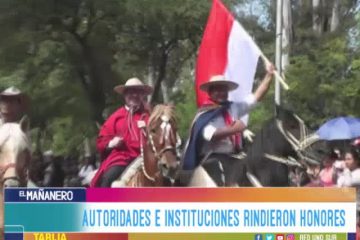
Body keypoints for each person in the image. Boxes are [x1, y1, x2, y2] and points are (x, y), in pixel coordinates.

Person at [181, 62, 275, 186]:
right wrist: (234, 129)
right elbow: (209, 134)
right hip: (213, 158)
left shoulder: (233, 107)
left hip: (235, 156)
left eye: (224, 89)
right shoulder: (204, 114)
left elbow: (256, 97)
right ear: (210, 92)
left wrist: (269, 75)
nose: (221, 92)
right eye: (217, 89)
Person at [90, 78, 153, 187]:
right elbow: (101, 142)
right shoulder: (115, 118)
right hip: (123, 159)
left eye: (138, 92)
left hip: (147, 158)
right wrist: (111, 143)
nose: (134, 95)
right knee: (108, 178)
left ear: (142, 95)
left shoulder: (150, 116)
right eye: (130, 92)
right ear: (124, 95)